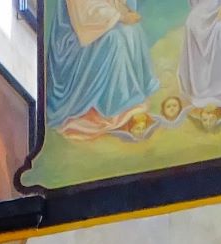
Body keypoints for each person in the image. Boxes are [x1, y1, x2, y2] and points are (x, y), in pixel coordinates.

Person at [43, 0, 157, 140]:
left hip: (99, 24)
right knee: (114, 40)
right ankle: (111, 110)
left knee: (133, 30)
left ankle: (128, 104)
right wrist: (120, 16)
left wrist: (124, 11)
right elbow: (85, 13)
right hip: (75, 38)